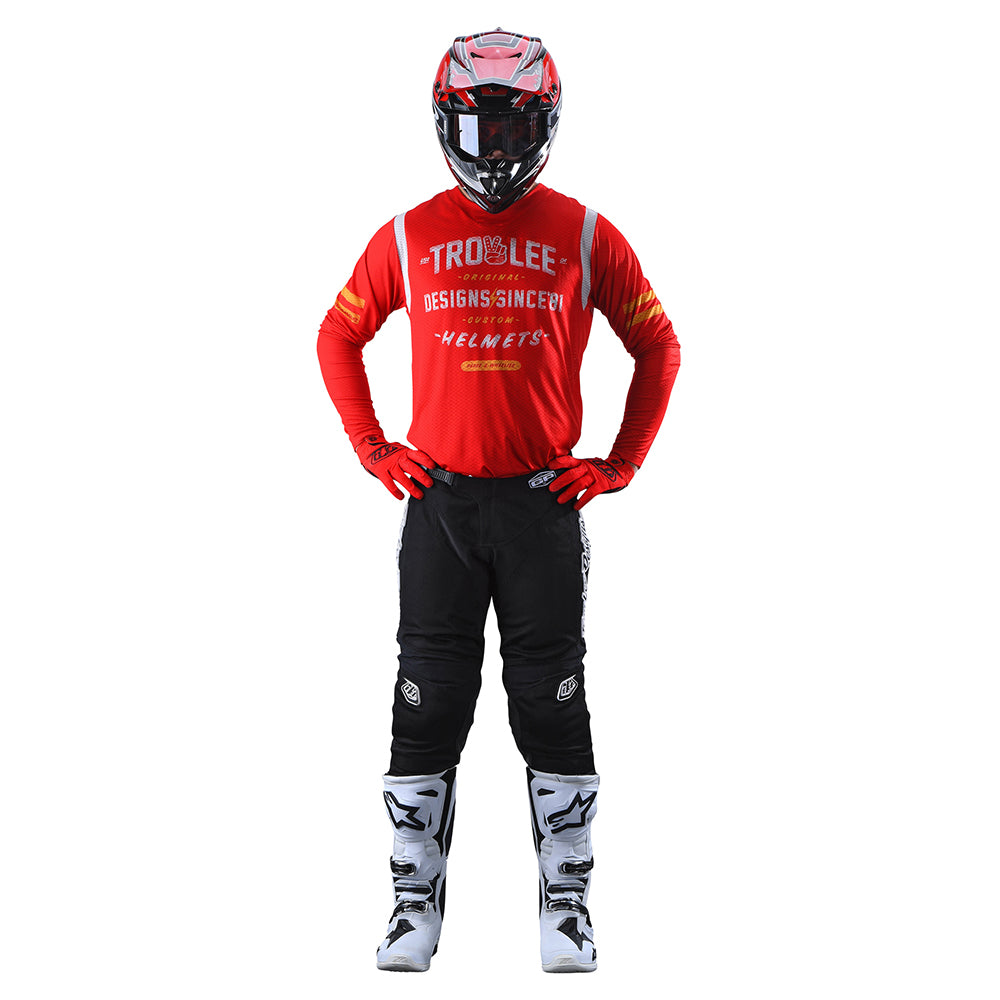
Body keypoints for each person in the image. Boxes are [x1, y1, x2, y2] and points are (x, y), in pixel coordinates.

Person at [316, 28, 680, 974]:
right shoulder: (406, 235)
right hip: (437, 505)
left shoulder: (586, 233)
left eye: (514, 128)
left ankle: (569, 909)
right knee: (426, 703)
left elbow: (658, 344)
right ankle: (411, 909)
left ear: (546, 125)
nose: (495, 151)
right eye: (477, 130)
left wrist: (620, 464)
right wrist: (371, 448)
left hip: (540, 508)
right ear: (446, 127)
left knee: (552, 704)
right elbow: (337, 334)